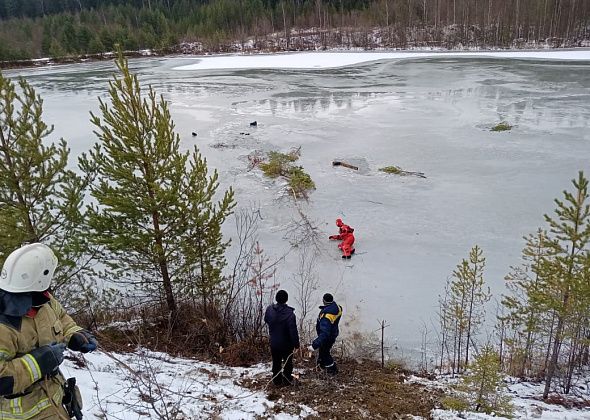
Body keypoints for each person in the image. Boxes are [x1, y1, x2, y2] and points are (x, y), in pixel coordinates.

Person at [0, 243, 98, 419]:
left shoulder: (43, 299)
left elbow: (62, 318)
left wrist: (75, 335)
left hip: (53, 399)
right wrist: (37, 362)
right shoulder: (4, 324)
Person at [264, 290, 300, 386]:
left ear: (276, 298)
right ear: (286, 300)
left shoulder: (269, 309)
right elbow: (293, 331)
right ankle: (287, 379)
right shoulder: (290, 315)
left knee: (276, 362)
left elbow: (266, 320)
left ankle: (277, 380)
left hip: (274, 342)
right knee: (288, 363)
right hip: (286, 344)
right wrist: (296, 344)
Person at [308, 293, 342, 375]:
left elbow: (325, 333)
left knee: (325, 353)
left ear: (324, 301)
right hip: (333, 333)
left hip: (328, 337)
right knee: (323, 350)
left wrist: (314, 345)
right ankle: (321, 364)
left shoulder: (326, 317)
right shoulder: (337, 308)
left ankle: (332, 369)